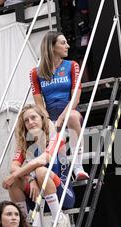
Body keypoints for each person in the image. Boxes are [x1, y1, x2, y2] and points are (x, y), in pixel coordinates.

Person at [2, 104, 73, 227]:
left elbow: (43, 159)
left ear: (42, 119)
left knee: (39, 171)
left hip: (62, 194)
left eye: (33, 117)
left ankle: (58, 218)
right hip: (38, 197)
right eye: (26, 121)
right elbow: (13, 167)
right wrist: (29, 179)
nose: (30, 122)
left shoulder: (55, 137)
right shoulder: (25, 144)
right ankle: (25, 225)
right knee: (15, 182)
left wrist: (21, 174)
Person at [30, 31, 89, 181]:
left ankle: (77, 166)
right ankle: (59, 169)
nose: (67, 46)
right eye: (63, 43)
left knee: (73, 116)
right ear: (51, 47)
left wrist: (62, 118)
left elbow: (75, 99)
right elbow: (39, 103)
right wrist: (48, 120)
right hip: (50, 115)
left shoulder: (72, 66)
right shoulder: (35, 73)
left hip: (69, 112)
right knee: (38, 126)